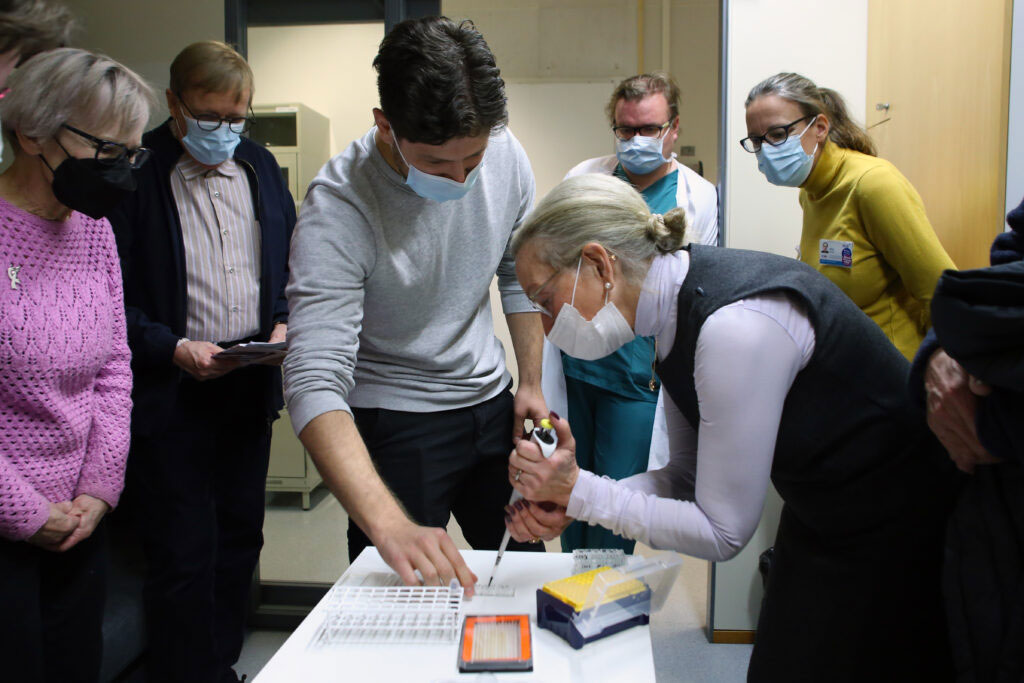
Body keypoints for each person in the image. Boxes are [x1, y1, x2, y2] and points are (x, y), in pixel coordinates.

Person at [504, 173, 957, 681]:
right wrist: (573, 497)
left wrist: (582, 492)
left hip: (903, 524)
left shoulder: (732, 326)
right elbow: (687, 476)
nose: (545, 325)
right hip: (822, 511)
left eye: (544, 300)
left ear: (598, 263)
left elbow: (722, 532)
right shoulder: (670, 313)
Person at [284, 16, 546, 593]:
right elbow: (312, 380)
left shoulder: (503, 151)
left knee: (525, 569)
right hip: (396, 421)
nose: (459, 179)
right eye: (436, 164)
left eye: (471, 162)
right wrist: (387, 524)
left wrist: (530, 381)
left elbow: (516, 273)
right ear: (386, 126)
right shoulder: (338, 206)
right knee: (405, 592)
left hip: (491, 400)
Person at [108, 41, 295, 683]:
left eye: (237, 118)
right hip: (172, 390)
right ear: (174, 104)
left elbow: (288, 260)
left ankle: (220, 665)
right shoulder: (137, 171)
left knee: (241, 536)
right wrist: (171, 347)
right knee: (184, 549)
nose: (225, 132)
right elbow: (112, 292)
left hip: (245, 382)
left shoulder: (261, 165)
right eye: (210, 117)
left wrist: (281, 321)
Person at [0, 47, 151, 683]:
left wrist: (97, 489)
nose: (119, 169)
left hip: (78, 523)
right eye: (106, 148)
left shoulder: (94, 231)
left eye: (131, 153)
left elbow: (114, 368)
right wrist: (23, 512)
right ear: (33, 133)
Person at [553, 72, 718, 553]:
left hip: (636, 376)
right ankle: (571, 607)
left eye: (649, 129)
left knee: (614, 507)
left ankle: (604, 618)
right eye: (625, 129)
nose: (636, 140)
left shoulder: (697, 197)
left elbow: (692, 291)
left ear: (674, 129)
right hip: (578, 364)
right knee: (570, 498)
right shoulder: (585, 177)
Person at [743, 72, 955, 360]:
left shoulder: (873, 184)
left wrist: (944, 373)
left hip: (893, 373)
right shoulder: (810, 193)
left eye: (778, 135)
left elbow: (942, 290)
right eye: (757, 141)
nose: (766, 150)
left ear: (819, 127)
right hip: (845, 370)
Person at [909, 198, 1024, 681]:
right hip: (995, 511)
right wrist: (938, 358)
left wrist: (993, 421)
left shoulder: (872, 189)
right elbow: (985, 283)